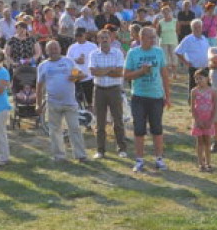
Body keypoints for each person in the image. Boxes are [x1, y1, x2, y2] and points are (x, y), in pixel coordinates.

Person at [123, 25, 171, 172]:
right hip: (139, 96)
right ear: (141, 38)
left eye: (154, 37)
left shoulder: (158, 52)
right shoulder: (133, 53)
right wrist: (141, 71)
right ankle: (139, 160)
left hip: (156, 96)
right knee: (139, 130)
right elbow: (126, 75)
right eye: (151, 37)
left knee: (157, 129)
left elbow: (164, 74)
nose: (154, 39)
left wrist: (167, 96)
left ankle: (159, 159)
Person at [36, 39, 88, 163]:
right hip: (52, 103)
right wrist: (38, 104)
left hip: (70, 102)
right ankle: (59, 156)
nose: (53, 51)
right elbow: (39, 87)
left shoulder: (68, 62)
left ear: (60, 49)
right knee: (54, 131)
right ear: (46, 51)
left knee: (74, 128)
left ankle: (80, 155)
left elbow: (82, 75)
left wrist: (75, 76)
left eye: (56, 48)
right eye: (51, 49)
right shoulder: (43, 66)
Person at [88, 29, 128, 160]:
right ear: (98, 40)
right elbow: (94, 72)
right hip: (99, 90)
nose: (104, 39)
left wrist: (103, 71)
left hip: (114, 89)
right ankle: (100, 150)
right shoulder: (93, 54)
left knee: (118, 120)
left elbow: (119, 72)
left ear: (111, 39)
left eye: (107, 37)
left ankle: (121, 148)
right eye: (102, 38)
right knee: (100, 121)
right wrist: (111, 68)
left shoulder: (117, 53)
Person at [175, 18, 211, 92]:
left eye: (199, 27)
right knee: (193, 88)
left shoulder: (204, 39)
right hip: (194, 67)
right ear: (192, 28)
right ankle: (192, 103)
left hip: (205, 67)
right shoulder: (188, 39)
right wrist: (185, 62)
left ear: (202, 28)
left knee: (207, 88)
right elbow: (178, 51)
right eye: (195, 27)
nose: (197, 29)